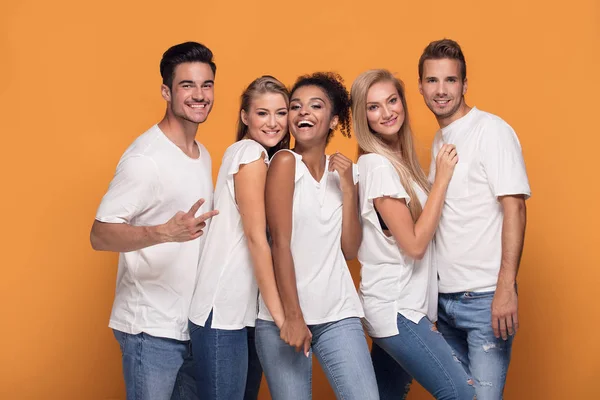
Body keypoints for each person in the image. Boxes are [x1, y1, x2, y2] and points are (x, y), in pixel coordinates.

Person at [90, 41, 219, 400]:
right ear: (166, 91)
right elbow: (100, 234)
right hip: (149, 328)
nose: (199, 95)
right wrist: (163, 232)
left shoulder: (202, 154)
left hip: (190, 327)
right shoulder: (145, 159)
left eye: (206, 85)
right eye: (187, 85)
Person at [254, 72, 379, 400]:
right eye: (295, 107)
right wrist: (293, 317)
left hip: (338, 312)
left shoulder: (341, 176)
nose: (302, 112)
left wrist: (349, 188)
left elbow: (349, 250)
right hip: (285, 318)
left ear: (334, 119)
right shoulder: (284, 162)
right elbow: (278, 243)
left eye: (315, 106)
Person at [352, 69, 475, 400]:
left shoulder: (394, 162)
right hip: (397, 309)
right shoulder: (377, 166)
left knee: (386, 395)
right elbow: (416, 244)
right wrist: (443, 179)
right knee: (460, 393)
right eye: (373, 106)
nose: (387, 112)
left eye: (392, 101)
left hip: (403, 307)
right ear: (362, 116)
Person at [419, 39, 531, 399]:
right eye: (432, 81)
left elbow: (515, 207)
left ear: (465, 85)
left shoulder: (491, 131)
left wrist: (505, 288)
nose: (441, 90)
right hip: (444, 303)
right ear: (421, 86)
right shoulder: (439, 140)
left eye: (450, 80)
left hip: (484, 302)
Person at [187, 75, 290, 399]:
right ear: (245, 116)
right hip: (223, 311)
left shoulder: (265, 158)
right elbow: (257, 238)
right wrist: (282, 318)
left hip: (244, 313)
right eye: (262, 113)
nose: (273, 123)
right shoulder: (249, 153)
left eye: (281, 113)